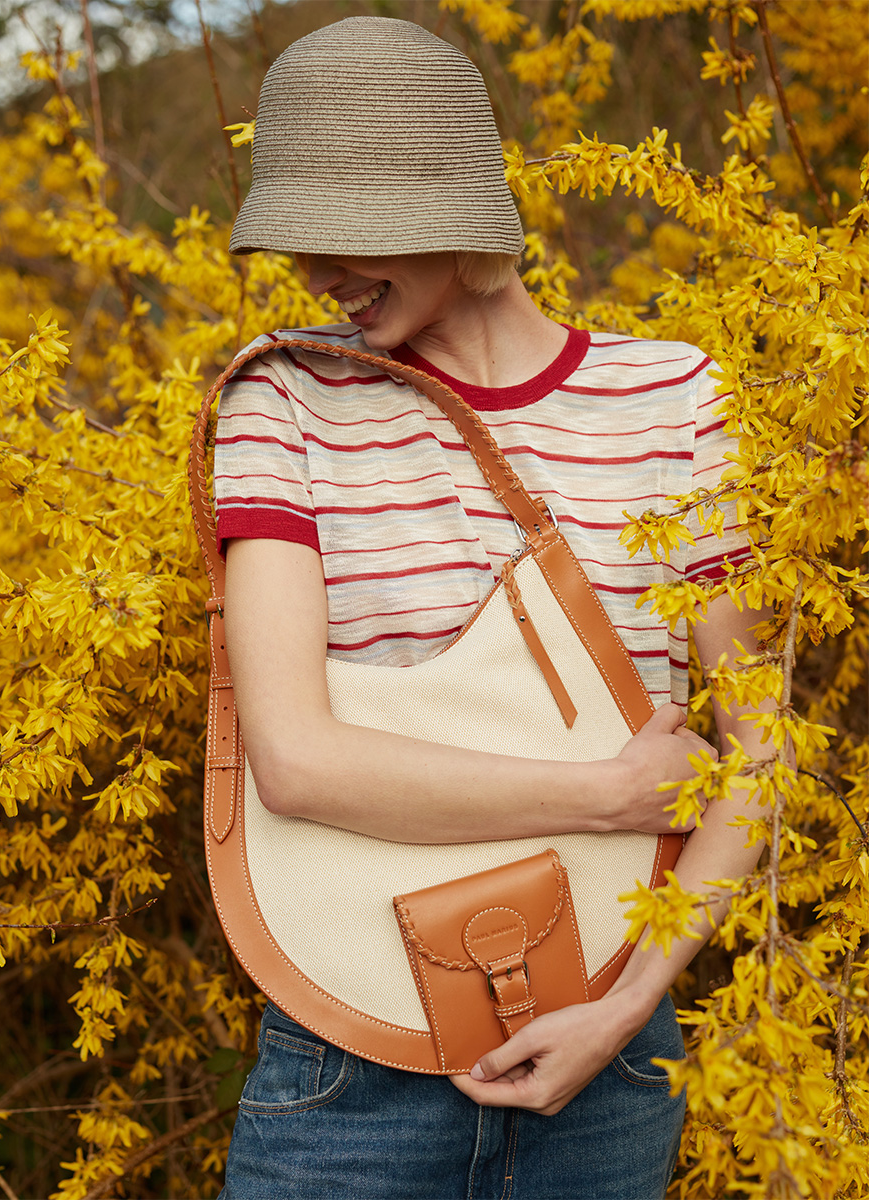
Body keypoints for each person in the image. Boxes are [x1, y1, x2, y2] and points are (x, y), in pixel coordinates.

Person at [212, 16, 768, 1200]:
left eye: (346, 235)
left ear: (455, 211)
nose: (315, 275)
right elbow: (296, 763)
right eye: (298, 241)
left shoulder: (673, 398)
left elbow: (763, 755)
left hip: (608, 1054)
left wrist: (622, 1013)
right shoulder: (285, 400)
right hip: (345, 1058)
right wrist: (606, 793)